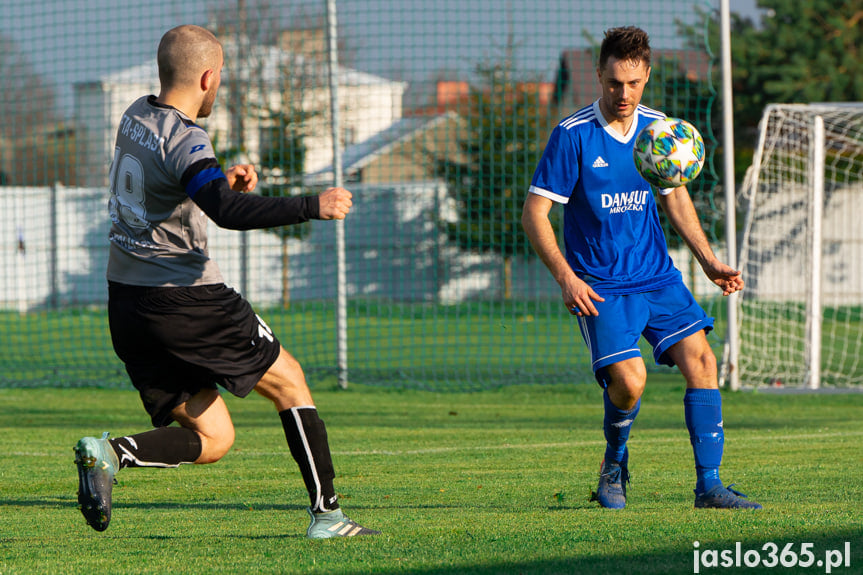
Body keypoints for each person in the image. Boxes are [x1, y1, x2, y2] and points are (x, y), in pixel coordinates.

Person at [73, 24, 380, 538]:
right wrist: (312, 205)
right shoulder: (188, 137)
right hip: (188, 303)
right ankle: (327, 517)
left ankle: (109, 453)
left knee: (214, 438)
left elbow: (175, 185)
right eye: (222, 79)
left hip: (126, 305)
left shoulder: (135, 114)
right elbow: (226, 211)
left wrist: (215, 182)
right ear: (209, 76)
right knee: (291, 383)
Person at [521, 26, 761, 510]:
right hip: (602, 285)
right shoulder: (573, 136)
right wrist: (568, 278)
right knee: (630, 381)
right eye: (613, 83)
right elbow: (534, 213)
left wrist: (709, 261)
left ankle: (709, 486)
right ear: (599, 77)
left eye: (632, 83)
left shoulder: (660, 131)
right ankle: (615, 461)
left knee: (704, 362)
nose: (623, 94)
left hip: (657, 276)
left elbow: (676, 199)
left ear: (646, 76)